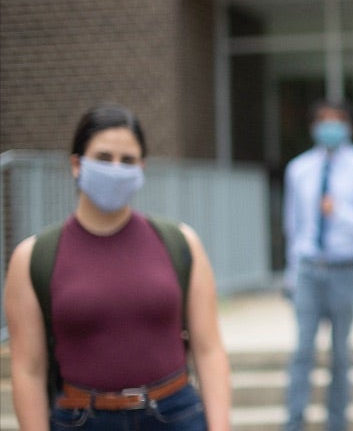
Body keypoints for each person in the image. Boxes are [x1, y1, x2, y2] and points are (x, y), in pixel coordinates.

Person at [3, 104, 232, 430]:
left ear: (142, 167)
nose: (115, 168)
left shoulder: (180, 243)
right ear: (76, 164)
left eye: (127, 161)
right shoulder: (34, 257)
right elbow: (28, 369)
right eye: (103, 157)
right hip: (82, 417)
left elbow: (209, 350)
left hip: (174, 414)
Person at [283, 99, 353, 431]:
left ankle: (336, 423)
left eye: (336, 121)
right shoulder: (299, 169)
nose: (329, 128)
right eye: (323, 121)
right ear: (313, 126)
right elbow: (293, 226)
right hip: (309, 269)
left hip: (348, 269)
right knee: (302, 351)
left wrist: (339, 211)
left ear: (348, 125)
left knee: (340, 355)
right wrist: (291, 272)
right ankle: (294, 421)